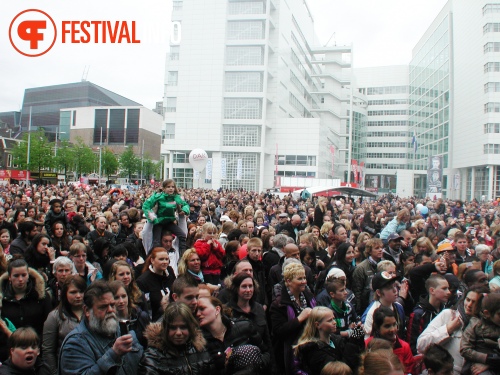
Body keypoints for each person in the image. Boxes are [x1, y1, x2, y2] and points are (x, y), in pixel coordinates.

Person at [59, 280, 144, 375]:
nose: (110, 310)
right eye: (103, 307)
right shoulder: (75, 343)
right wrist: (113, 354)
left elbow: (142, 364)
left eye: (112, 305)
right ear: (87, 310)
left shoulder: (122, 331)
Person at [197, 296, 270, 375]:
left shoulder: (244, 327)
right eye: (195, 311)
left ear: (217, 309)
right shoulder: (200, 342)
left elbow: (266, 353)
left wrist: (254, 366)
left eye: (202, 309)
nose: (198, 314)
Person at [138, 302, 213, 375]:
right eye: (173, 328)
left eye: (183, 327)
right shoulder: (153, 358)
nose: (178, 333)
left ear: (190, 327)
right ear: (166, 328)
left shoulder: (202, 349)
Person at [270, 263, 316, 375]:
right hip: (289, 352)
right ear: (289, 281)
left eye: (304, 278)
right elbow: (278, 331)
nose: (304, 281)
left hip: (310, 346)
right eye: (299, 278)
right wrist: (299, 319)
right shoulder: (279, 304)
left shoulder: (308, 296)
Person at [293, 306, 363, 375]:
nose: (334, 322)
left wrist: (358, 340)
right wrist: (353, 342)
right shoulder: (312, 350)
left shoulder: (337, 340)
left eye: (334, 319)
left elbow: (356, 361)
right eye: (330, 320)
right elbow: (341, 371)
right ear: (317, 325)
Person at [42, 275, 86, 375]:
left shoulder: (93, 314)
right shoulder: (54, 316)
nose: (78, 296)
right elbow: (48, 351)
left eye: (81, 292)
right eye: (73, 292)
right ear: (65, 293)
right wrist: (55, 373)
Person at [0, 259, 52, 337]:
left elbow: (49, 325)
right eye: (16, 276)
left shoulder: (41, 296)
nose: (20, 279)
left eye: (23, 275)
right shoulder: (2, 299)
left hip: (36, 344)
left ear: (28, 275)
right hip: (9, 345)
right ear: (9, 277)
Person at [226, 272, 272, 354]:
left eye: (250, 286)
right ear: (236, 288)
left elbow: (267, 339)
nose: (248, 290)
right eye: (244, 286)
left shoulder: (259, 309)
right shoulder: (227, 311)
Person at [407, 274, 451, 354]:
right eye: (444, 289)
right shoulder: (418, 314)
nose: (448, 292)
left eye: (448, 288)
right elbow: (413, 344)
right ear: (432, 290)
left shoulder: (446, 309)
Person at [142, 179, 189, 252]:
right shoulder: (157, 196)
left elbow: (185, 205)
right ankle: (153, 257)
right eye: (168, 187)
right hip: (159, 222)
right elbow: (146, 206)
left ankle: (182, 256)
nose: (171, 188)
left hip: (169, 221)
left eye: (172, 187)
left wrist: (184, 211)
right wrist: (153, 218)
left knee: (182, 235)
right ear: (163, 188)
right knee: (156, 242)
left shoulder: (177, 197)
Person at [365, 306, 414, 374]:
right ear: (377, 327)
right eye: (387, 326)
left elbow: (410, 371)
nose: (393, 329)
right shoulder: (367, 345)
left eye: (394, 324)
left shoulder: (404, 347)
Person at [460, 293, 500, 375]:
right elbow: (465, 349)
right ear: (487, 313)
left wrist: (491, 364)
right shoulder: (476, 324)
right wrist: (487, 359)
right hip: (477, 365)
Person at [136, 247, 176, 321]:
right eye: (161, 259)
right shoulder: (143, 281)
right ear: (152, 260)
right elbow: (146, 309)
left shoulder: (170, 272)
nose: (165, 262)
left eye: (167, 259)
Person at [109, 280, 150, 348]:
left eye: (124, 296)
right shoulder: (109, 322)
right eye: (116, 298)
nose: (121, 301)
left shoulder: (141, 317)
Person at [352, 238, 384, 315]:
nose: (380, 250)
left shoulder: (384, 264)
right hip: (366, 305)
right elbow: (357, 291)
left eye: (381, 248)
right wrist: (359, 311)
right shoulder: (361, 268)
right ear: (369, 251)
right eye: (377, 248)